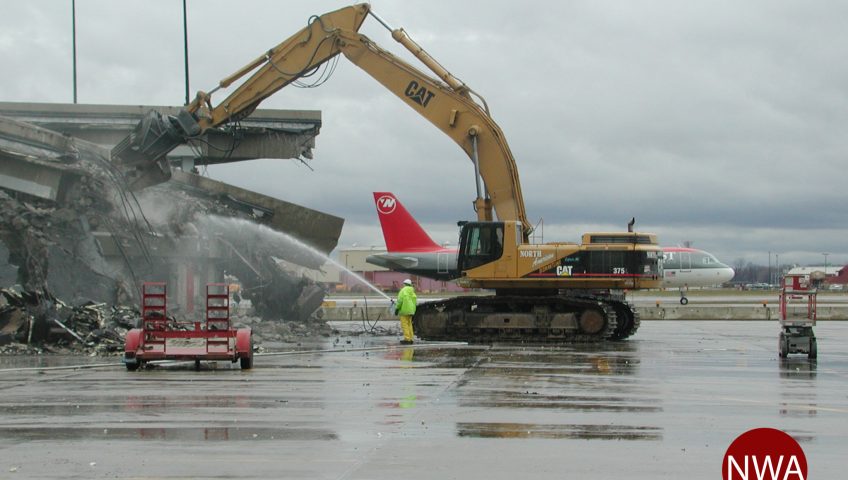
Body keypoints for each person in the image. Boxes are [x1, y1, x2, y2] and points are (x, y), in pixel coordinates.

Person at [394, 279, 417, 345]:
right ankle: (411, 338)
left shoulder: (403, 291)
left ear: (404, 284)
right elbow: (415, 302)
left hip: (404, 310)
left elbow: (400, 301)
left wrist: (397, 309)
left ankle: (407, 339)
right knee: (409, 324)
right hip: (411, 311)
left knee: (404, 325)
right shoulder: (412, 291)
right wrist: (413, 311)